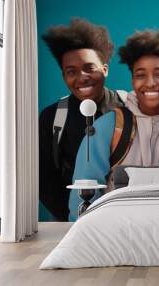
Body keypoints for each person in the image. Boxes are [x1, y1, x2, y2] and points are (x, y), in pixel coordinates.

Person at [69, 29, 159, 221]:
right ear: (132, 80)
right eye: (141, 75)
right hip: (113, 231)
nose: (150, 83)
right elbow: (83, 191)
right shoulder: (109, 126)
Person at [39, 18, 124, 221]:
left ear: (105, 69)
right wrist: (72, 217)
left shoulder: (127, 109)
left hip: (121, 216)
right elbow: (44, 176)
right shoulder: (52, 117)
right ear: (63, 76)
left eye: (89, 68)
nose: (82, 77)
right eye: (71, 72)